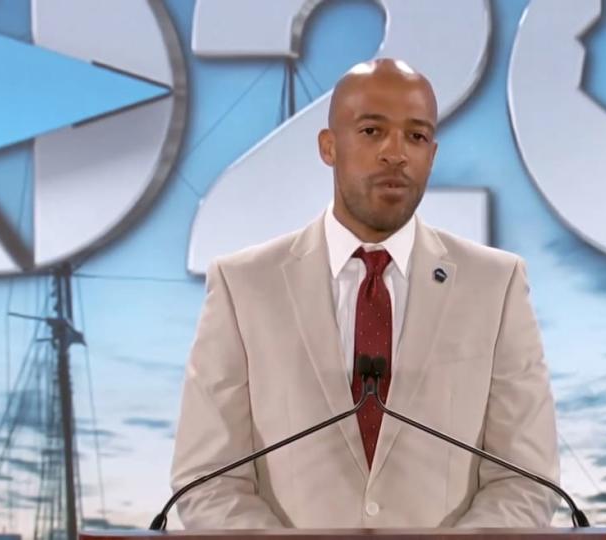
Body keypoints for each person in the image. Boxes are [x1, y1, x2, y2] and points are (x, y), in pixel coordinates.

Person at [171, 58, 560, 529]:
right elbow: (208, 478)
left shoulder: (496, 285)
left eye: (416, 136)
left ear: (432, 155)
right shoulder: (244, 285)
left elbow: (526, 479)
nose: (396, 153)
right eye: (373, 131)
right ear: (328, 146)